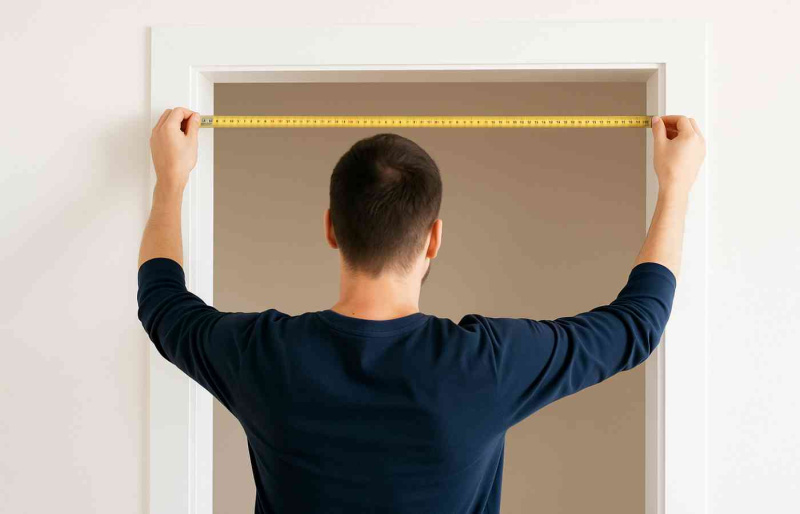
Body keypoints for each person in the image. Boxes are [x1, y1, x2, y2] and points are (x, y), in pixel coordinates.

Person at [138, 108, 705, 514]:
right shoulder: (486, 364)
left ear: (331, 228)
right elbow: (637, 324)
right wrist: (675, 185)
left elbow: (162, 303)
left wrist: (170, 181)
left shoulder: (262, 356)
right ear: (434, 238)